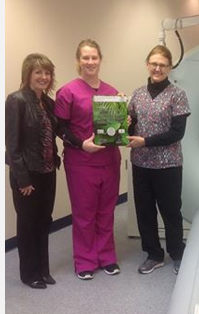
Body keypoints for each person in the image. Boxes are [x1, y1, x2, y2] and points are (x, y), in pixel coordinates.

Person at [54, 39, 121, 280]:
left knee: (106, 212)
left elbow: (116, 128)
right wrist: (82, 144)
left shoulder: (112, 93)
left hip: (110, 161)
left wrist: (125, 122)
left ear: (100, 60)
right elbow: (59, 127)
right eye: (85, 57)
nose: (90, 62)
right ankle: (84, 261)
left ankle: (107, 257)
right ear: (78, 61)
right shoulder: (68, 91)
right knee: (84, 215)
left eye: (94, 57)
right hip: (81, 163)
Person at [128, 45, 191, 275]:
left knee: (171, 211)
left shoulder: (177, 95)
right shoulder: (137, 94)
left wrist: (145, 141)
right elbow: (131, 124)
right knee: (144, 211)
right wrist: (117, 122)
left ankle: (177, 252)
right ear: (147, 64)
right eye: (154, 63)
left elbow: (177, 133)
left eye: (162, 64)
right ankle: (154, 254)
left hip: (168, 164)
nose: (157, 68)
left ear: (169, 67)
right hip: (141, 164)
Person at [5, 53, 61, 289]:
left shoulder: (48, 102)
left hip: (48, 172)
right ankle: (29, 274)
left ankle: (43, 269)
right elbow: (12, 146)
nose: (43, 77)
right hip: (26, 175)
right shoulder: (16, 100)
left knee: (44, 220)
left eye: (47, 72)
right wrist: (22, 179)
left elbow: (54, 134)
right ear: (28, 74)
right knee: (28, 223)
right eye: (38, 72)